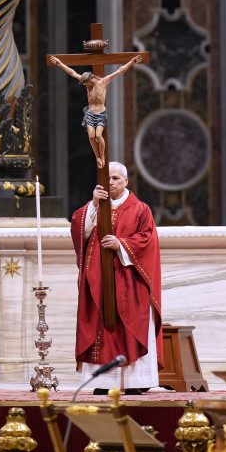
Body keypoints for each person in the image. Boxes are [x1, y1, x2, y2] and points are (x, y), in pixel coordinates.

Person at [70, 161, 162, 394]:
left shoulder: (140, 209)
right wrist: (92, 203)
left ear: (126, 181)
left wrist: (121, 244)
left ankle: (134, 383)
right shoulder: (95, 207)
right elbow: (80, 229)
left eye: (115, 178)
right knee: (100, 326)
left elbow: (148, 240)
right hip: (100, 282)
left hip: (130, 281)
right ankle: (103, 383)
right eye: (106, 178)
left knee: (131, 327)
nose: (110, 183)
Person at [49, 54, 144, 168]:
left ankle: (102, 156)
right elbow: (72, 73)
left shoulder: (103, 82)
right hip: (90, 113)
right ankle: (97, 157)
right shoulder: (87, 84)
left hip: (100, 114)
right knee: (91, 136)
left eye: (85, 83)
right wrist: (59, 63)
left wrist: (132, 62)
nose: (84, 85)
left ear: (90, 79)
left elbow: (120, 70)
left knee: (98, 136)